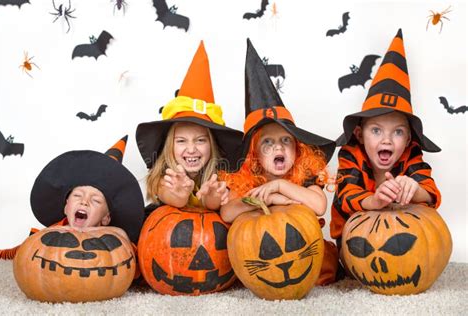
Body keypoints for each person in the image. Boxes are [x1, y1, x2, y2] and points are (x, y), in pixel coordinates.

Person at [220, 39, 339, 285]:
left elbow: (318, 205)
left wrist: (280, 187)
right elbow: (228, 212)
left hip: (306, 252)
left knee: (326, 261)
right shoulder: (249, 182)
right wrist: (267, 200)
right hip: (263, 257)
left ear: (298, 150)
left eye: (286, 140)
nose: (278, 146)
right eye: (267, 142)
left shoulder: (304, 178)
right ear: (254, 154)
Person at [330, 29, 442, 271]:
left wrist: (416, 190)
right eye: (376, 131)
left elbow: (431, 192)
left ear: (409, 137)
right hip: (356, 239)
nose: (388, 141)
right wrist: (375, 200)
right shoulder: (352, 153)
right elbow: (346, 195)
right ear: (360, 134)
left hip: (402, 236)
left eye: (398, 132)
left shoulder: (410, 153)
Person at [135, 41, 243, 214]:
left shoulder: (221, 178)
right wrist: (181, 193)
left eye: (200, 140)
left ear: (212, 145)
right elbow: (169, 195)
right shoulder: (166, 177)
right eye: (181, 141)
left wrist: (212, 198)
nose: (191, 149)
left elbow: (215, 204)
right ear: (170, 145)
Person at [0, 136, 144, 259]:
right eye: (78, 195)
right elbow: (23, 251)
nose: (84, 201)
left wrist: (118, 234)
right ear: (66, 207)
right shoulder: (54, 232)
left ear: (105, 218)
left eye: (96, 200)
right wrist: (0, 254)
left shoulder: (114, 238)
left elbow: (134, 258)